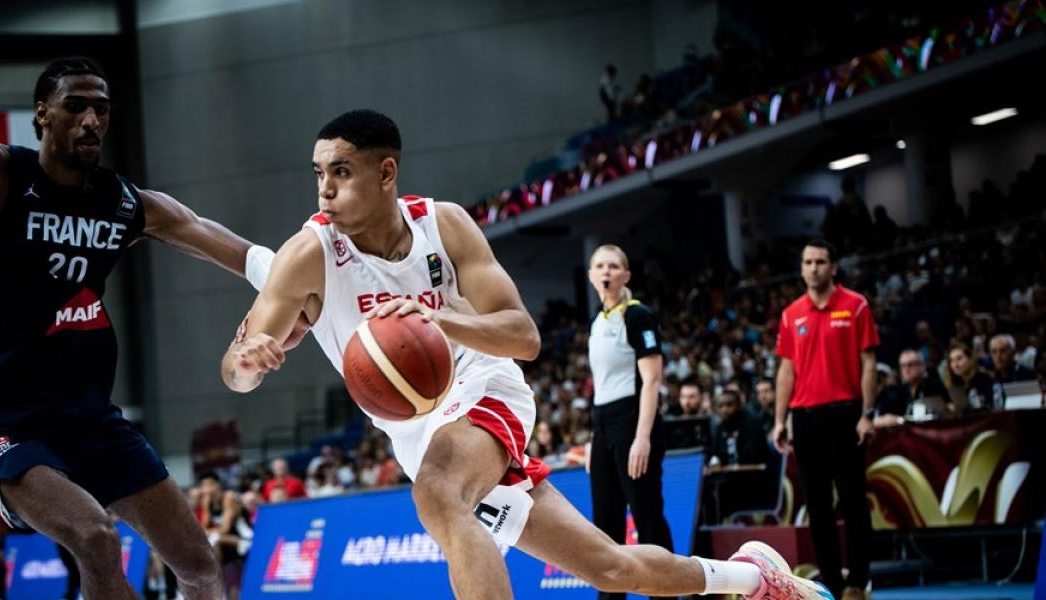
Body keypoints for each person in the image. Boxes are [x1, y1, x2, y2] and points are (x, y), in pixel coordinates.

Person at [223, 109, 830, 600]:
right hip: (418, 432)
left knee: (438, 491)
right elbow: (236, 374)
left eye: (341, 172)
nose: (325, 189)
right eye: (318, 174)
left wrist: (442, 318)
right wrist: (246, 360)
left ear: (386, 174)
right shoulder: (308, 253)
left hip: (484, 387)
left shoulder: (445, 226)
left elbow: (525, 336)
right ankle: (756, 579)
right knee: (611, 569)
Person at [0, 4, 306, 598]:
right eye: (75, 105)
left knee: (201, 566)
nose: (91, 119)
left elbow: (224, 244)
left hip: (90, 416)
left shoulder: (124, 202)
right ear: (41, 115)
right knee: (96, 538)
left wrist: (297, 283)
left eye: (101, 108)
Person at [772, 239, 878, 600]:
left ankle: (859, 580)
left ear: (833, 267)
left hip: (846, 413)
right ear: (801, 268)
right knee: (817, 504)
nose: (813, 267)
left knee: (852, 499)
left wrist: (866, 413)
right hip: (805, 417)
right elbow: (786, 371)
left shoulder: (856, 305)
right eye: (807, 261)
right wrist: (780, 419)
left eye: (820, 261)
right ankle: (830, 581)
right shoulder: (791, 314)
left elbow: (868, 363)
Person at [585, 244, 673, 600]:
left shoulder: (637, 316)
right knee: (605, 527)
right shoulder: (597, 321)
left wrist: (642, 437)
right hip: (604, 424)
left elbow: (652, 381)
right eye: (599, 266)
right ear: (591, 276)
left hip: (633, 422)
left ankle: (667, 594)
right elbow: (602, 387)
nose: (606, 272)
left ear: (626, 275)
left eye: (613, 266)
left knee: (647, 516)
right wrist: (595, 440)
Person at [874, 349, 950, 427]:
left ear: (921, 366)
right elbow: (880, 419)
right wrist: (897, 420)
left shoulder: (934, 386)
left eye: (910, 365)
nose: (906, 369)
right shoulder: (898, 391)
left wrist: (900, 420)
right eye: (903, 366)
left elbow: (947, 411)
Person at [944, 342, 996, 413]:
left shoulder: (984, 379)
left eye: (959, 359)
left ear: (970, 359)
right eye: (952, 361)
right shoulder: (954, 384)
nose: (955, 365)